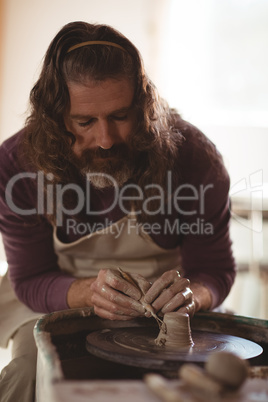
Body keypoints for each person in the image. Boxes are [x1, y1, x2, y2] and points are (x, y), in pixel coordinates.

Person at [0, 21, 235, 401]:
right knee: (30, 371)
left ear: (143, 104)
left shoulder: (192, 155)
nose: (105, 139)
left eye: (121, 116)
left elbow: (215, 269)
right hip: (58, 299)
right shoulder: (17, 164)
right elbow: (30, 280)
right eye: (85, 122)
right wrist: (90, 293)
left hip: (167, 310)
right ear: (55, 117)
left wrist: (194, 294)